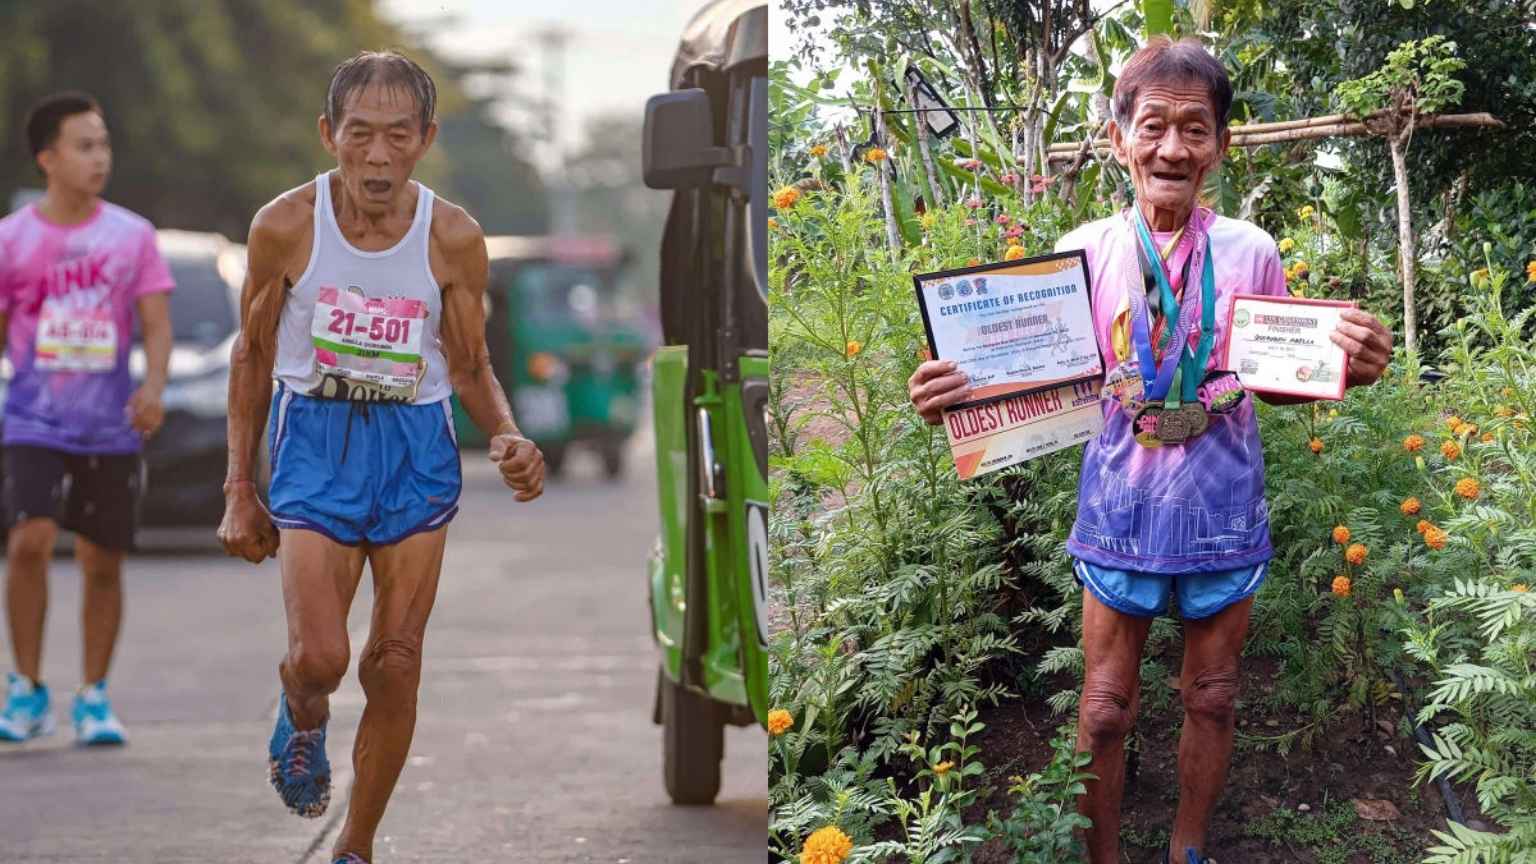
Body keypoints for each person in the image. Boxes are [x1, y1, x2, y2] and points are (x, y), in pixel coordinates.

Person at [907, 37, 1394, 864]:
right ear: (1118, 136)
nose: (1174, 147)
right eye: (1155, 125)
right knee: (1101, 707)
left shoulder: (1251, 251)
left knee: (1213, 696)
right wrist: (960, 399)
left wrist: (1353, 365)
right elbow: (1043, 377)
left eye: (1195, 128)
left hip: (1220, 506)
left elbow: (1275, 375)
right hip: (1120, 508)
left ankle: (1186, 851)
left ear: (1221, 146)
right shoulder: (1084, 249)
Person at [216, 51, 545, 864]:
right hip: (315, 442)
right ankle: (301, 708)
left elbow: (470, 364)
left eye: (398, 135)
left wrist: (506, 434)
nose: (377, 155)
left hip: (415, 446)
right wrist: (238, 488)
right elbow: (252, 356)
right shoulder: (286, 226)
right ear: (329, 134)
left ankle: (355, 847)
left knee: (394, 664)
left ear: (425, 139)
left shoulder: (454, 237)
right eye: (359, 133)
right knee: (322, 657)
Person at [0, 92, 173, 747]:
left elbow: (156, 326)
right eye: (84, 145)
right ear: (48, 158)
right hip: (32, 421)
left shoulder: (132, 237)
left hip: (110, 425)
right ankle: (26, 687)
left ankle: (94, 697)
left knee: (104, 560)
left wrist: (152, 387)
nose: (99, 157)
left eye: (103, 144)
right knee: (29, 541)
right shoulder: (11, 241)